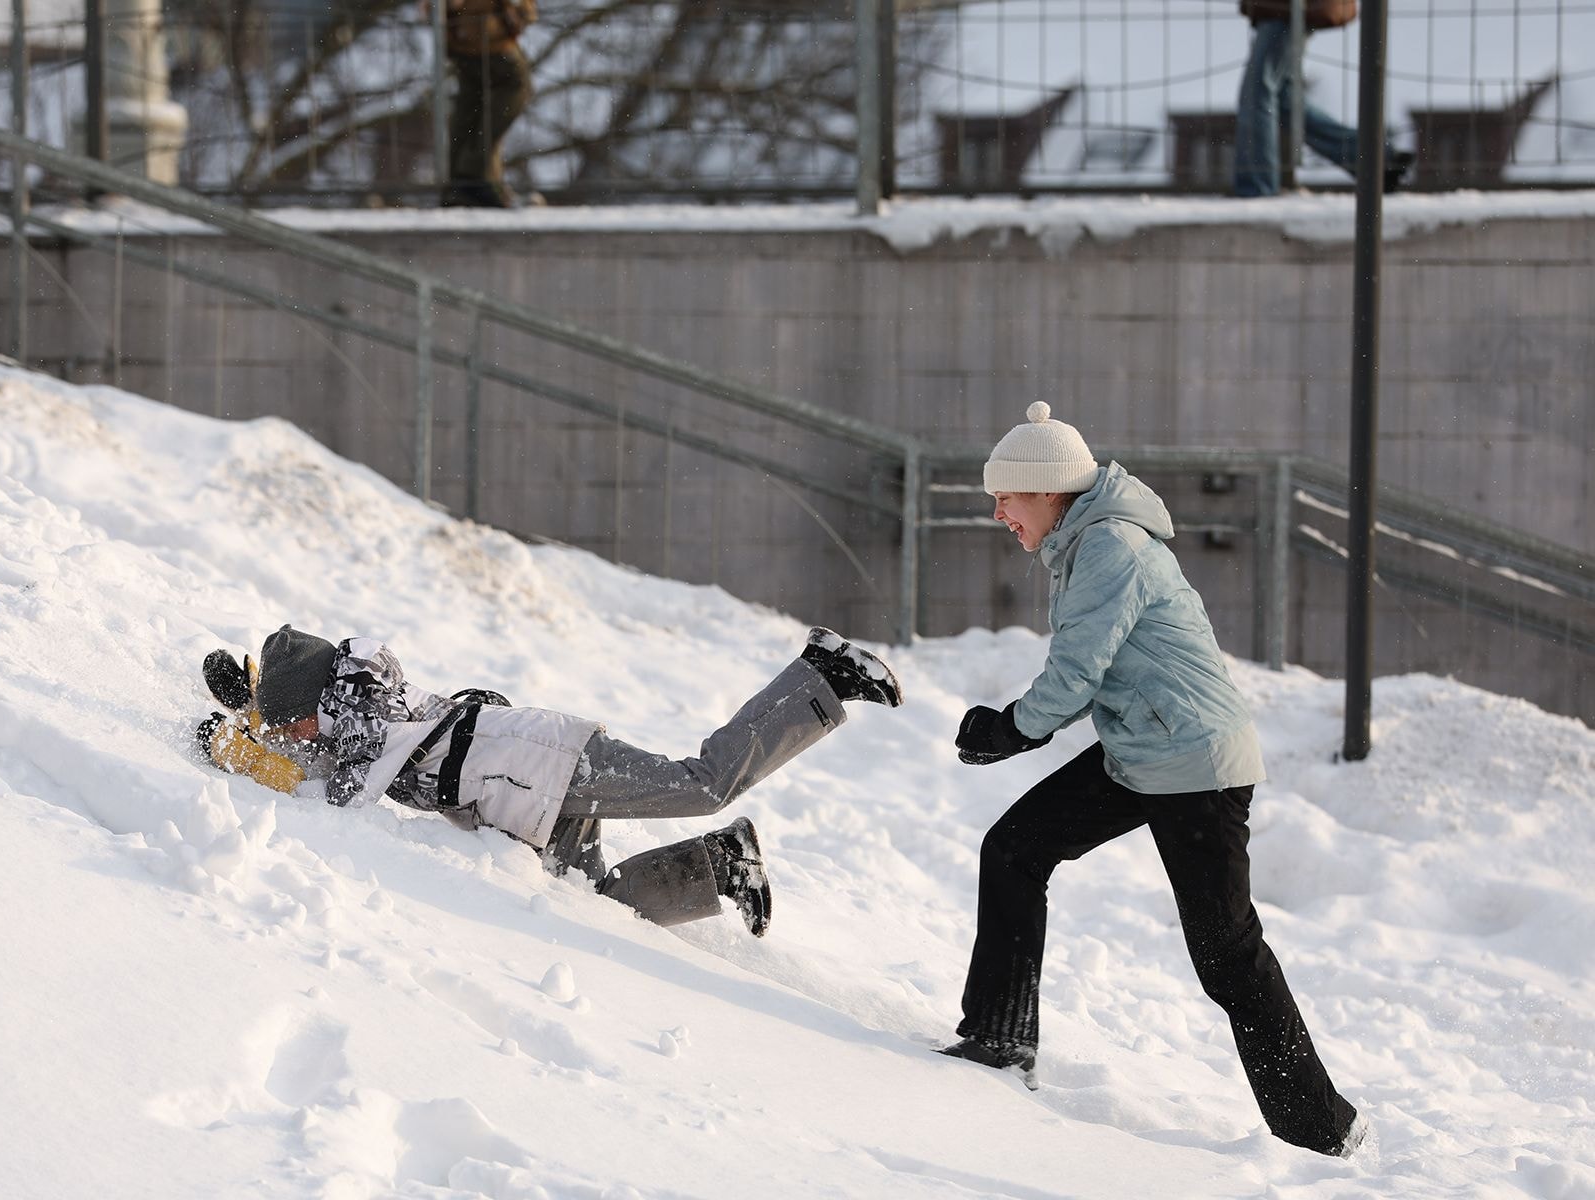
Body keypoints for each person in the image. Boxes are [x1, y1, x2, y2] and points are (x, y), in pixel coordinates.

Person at [937, 401, 1366, 1158]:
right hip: (1142, 752)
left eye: (1007, 496)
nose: (999, 512)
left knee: (1227, 955)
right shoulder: (1078, 544)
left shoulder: (1109, 547)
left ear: (1047, 491)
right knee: (1014, 849)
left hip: (1196, 764)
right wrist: (1014, 729)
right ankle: (999, 1040)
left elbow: (1076, 672)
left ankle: (1322, 1131)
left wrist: (1009, 728)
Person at [195, 624, 902, 937]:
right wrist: (253, 712)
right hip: (524, 792)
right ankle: (720, 865)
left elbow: (332, 792)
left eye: (295, 723)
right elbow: (320, 756)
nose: (297, 740)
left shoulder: (366, 723)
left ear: (319, 704)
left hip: (552, 763)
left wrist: (242, 743)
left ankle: (821, 676)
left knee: (703, 782)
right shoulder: (354, 713)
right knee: (593, 904)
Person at [1234, 0, 1414, 197]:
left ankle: (1257, 186)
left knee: (1259, 91)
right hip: (1288, 8)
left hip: (1288, 6)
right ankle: (1373, 160)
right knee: (1282, 99)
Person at [436, 0, 536, 208]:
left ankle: (459, 182)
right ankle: (474, 175)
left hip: (461, 40)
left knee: (471, 107)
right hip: (489, 37)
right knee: (511, 94)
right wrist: (522, 12)